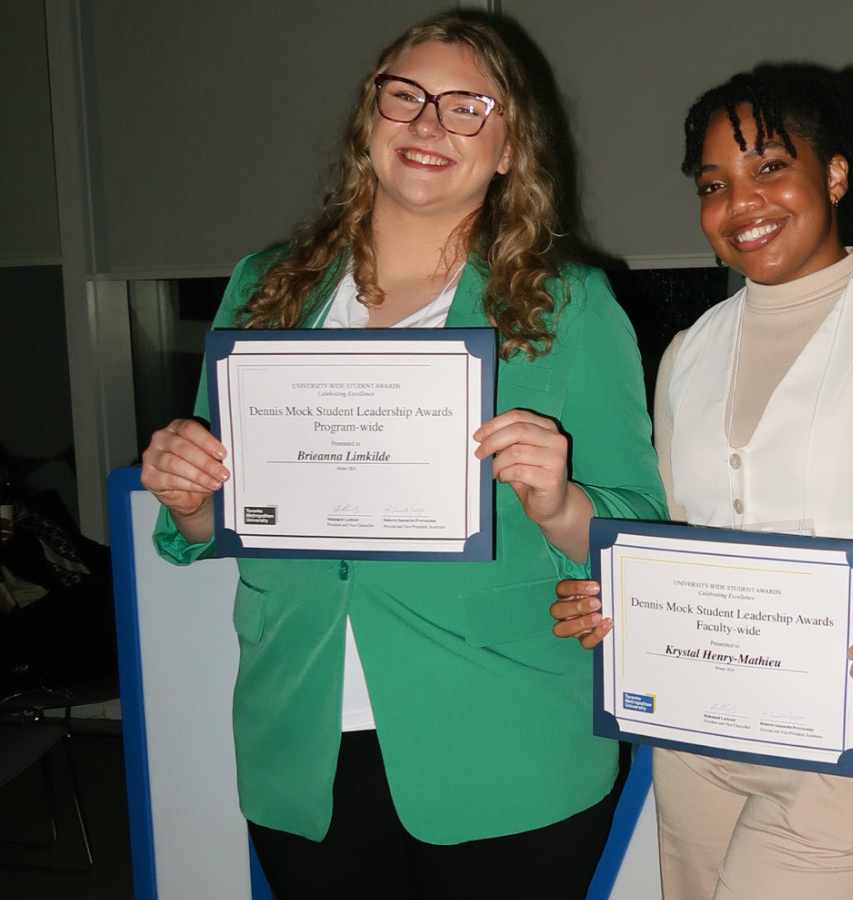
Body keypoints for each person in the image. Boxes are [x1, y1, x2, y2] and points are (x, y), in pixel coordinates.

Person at [139, 11, 665, 899]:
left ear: (508, 149)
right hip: (298, 737)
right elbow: (213, 521)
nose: (428, 123)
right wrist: (188, 494)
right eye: (406, 96)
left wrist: (561, 501)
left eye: (468, 106)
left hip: (507, 743)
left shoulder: (570, 304)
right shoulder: (264, 285)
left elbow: (641, 534)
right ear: (368, 121)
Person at [551, 63, 853, 899]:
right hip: (696, 728)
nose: (740, 203)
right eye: (715, 183)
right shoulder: (688, 351)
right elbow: (670, 537)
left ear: (836, 174)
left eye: (769, 168)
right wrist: (612, 596)